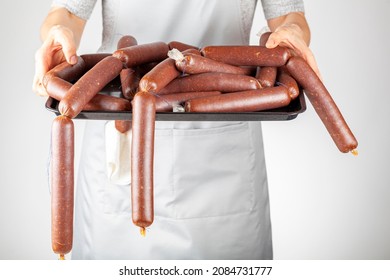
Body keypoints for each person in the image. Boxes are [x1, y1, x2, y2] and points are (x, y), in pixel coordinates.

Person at [33, 0, 319, 260]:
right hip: (122, 127)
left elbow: (287, 16)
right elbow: (68, 12)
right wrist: (58, 31)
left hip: (224, 141)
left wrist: (291, 31)